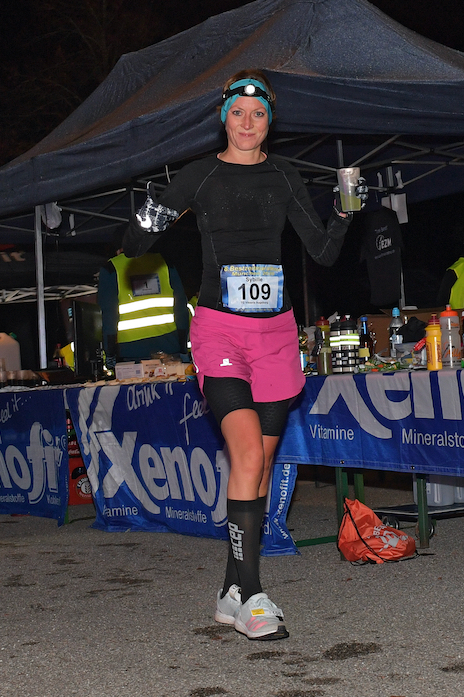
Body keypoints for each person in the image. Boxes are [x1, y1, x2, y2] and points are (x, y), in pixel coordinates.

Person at [122, 70, 363, 640]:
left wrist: (347, 212)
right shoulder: (199, 176)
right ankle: (254, 595)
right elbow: (133, 248)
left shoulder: (284, 175)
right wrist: (154, 211)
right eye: (238, 112)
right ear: (223, 117)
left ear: (269, 122)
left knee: (258, 470)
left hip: (277, 335)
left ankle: (231, 588)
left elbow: (324, 254)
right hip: (219, 333)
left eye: (258, 115)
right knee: (248, 455)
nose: (248, 123)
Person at [97, 249, 190, 361]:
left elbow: (108, 316)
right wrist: (183, 348)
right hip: (169, 349)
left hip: (130, 354)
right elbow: (181, 311)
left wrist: (110, 353)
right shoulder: (165, 262)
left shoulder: (111, 269)